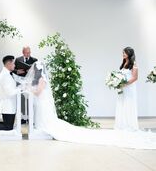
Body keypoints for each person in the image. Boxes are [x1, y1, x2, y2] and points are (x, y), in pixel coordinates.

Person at [25, 61, 156, 149]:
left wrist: (29, 89)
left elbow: (37, 92)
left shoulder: (42, 79)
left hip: (43, 103)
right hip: (43, 103)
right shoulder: (41, 79)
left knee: (50, 122)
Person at [115, 47, 139, 131]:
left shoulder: (134, 64)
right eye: (123, 53)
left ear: (129, 54)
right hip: (122, 88)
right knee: (122, 104)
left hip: (129, 88)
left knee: (128, 104)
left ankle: (129, 125)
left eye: (124, 53)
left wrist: (124, 84)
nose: (123, 54)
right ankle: (121, 125)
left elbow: (135, 77)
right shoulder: (124, 62)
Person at [14, 46, 37, 122]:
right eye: (27, 53)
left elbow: (37, 72)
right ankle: (23, 118)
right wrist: (17, 71)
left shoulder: (34, 60)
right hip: (20, 82)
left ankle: (30, 117)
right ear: (23, 52)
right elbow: (12, 69)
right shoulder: (17, 60)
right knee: (21, 100)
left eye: (29, 52)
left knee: (30, 100)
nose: (28, 54)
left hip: (30, 83)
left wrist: (31, 72)